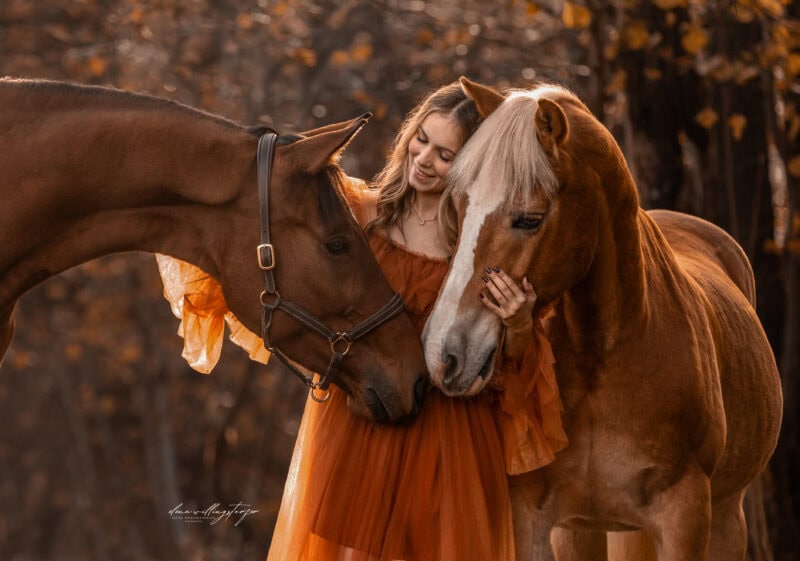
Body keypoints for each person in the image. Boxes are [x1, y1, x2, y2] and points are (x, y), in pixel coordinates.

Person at [156, 81, 568, 561]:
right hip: (360, 427)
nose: (424, 159)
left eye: (446, 154)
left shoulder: (473, 253)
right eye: (422, 139)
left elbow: (508, 372)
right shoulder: (359, 216)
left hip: (445, 437)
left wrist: (518, 323)